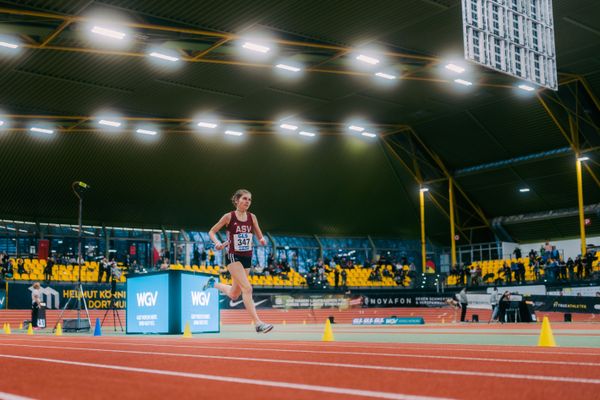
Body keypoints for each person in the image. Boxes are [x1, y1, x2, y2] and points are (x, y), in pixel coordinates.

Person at [206, 189, 273, 334]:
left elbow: (259, 234)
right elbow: (211, 231)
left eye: (249, 199)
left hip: (247, 257)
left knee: (234, 294)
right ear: (237, 200)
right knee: (247, 288)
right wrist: (217, 243)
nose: (247, 202)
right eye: (244, 199)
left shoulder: (252, 217)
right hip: (233, 256)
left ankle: (213, 284)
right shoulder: (229, 216)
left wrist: (262, 240)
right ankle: (258, 323)